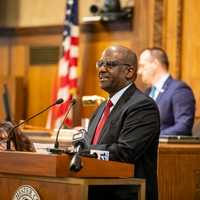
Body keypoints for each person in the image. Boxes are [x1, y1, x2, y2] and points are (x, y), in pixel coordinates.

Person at [86, 45, 160, 200]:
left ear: (129, 72)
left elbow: (125, 152)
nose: (102, 69)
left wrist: (84, 151)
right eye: (100, 64)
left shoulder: (142, 106)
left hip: (126, 194)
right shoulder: (101, 108)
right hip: (93, 190)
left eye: (110, 64)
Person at [138, 47, 195, 136]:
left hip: (166, 148)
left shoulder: (179, 90)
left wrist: (151, 138)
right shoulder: (147, 92)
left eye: (142, 66)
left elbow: (183, 127)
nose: (139, 72)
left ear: (155, 64)